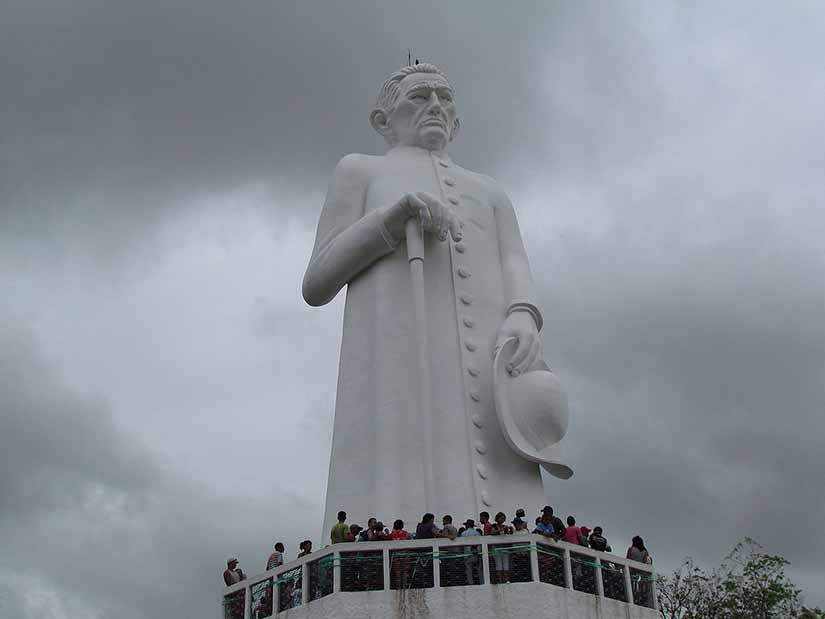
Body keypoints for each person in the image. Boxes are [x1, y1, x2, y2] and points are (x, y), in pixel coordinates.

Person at [310, 63, 553, 538]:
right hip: (399, 357)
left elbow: (514, 262)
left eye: (445, 97)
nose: (436, 106)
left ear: (458, 121)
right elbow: (317, 281)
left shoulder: (490, 190)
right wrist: (389, 221)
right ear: (383, 119)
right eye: (419, 96)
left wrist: (524, 312)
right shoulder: (362, 170)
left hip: (491, 355)